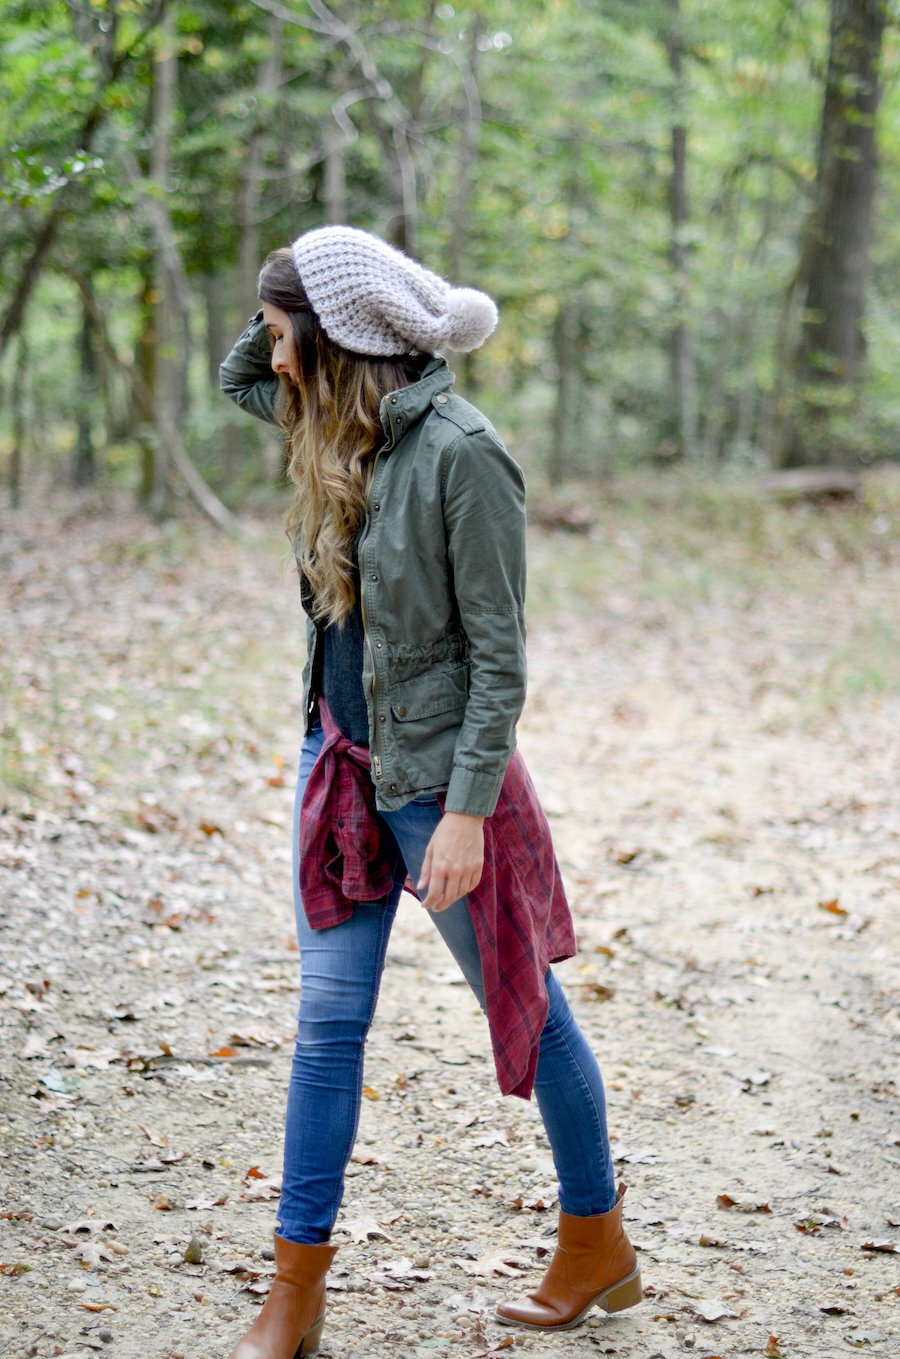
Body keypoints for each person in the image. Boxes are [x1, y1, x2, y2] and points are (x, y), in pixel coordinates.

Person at [219, 225, 641, 1359]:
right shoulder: (324, 424)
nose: (268, 346)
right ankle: (295, 1293)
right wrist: (308, 290)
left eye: (281, 325)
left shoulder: (465, 452)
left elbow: (501, 660)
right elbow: (236, 374)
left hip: (439, 785)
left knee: (528, 1011)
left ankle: (596, 1240)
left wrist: (462, 814)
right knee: (326, 1030)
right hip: (338, 768)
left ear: (333, 337)